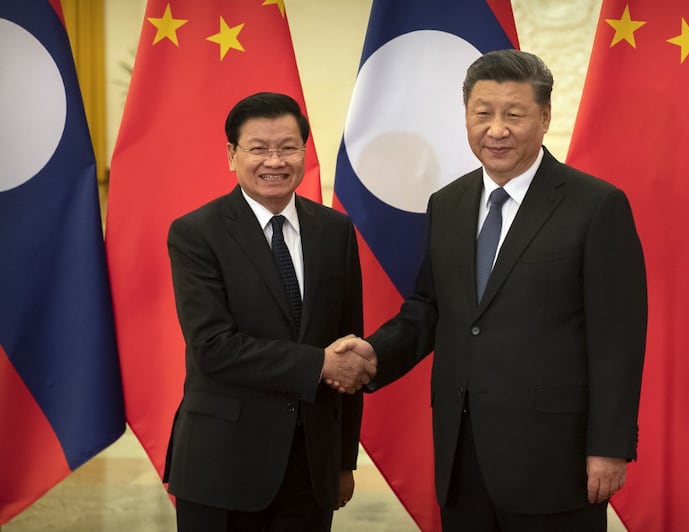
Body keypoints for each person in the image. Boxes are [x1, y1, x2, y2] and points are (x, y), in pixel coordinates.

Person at [332, 50, 647, 531]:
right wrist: (374, 354)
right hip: (463, 457)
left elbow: (616, 339)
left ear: (543, 118)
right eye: (483, 113)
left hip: (555, 461)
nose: (496, 129)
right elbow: (429, 310)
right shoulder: (448, 204)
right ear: (466, 116)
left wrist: (609, 445)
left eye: (513, 115)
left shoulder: (596, 206)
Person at [163, 92, 374, 532]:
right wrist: (319, 363)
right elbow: (212, 348)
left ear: (304, 152)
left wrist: (342, 459)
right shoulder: (197, 233)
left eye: (288, 147)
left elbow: (348, 346)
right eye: (258, 148)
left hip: (310, 466)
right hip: (222, 464)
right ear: (232, 155)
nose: (274, 161)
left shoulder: (335, 231)